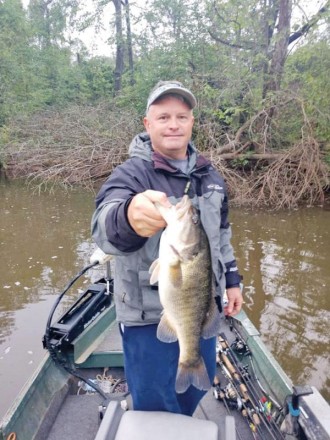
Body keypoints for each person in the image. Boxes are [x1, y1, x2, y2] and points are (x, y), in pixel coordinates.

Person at [91, 80, 243, 416]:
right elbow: (103, 227)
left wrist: (232, 281)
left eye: (181, 116)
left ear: (192, 122)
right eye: (163, 117)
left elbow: (221, 233)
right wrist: (128, 217)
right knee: (153, 401)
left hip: (201, 307)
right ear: (148, 124)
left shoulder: (210, 175)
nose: (173, 124)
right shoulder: (130, 175)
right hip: (147, 318)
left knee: (192, 394)